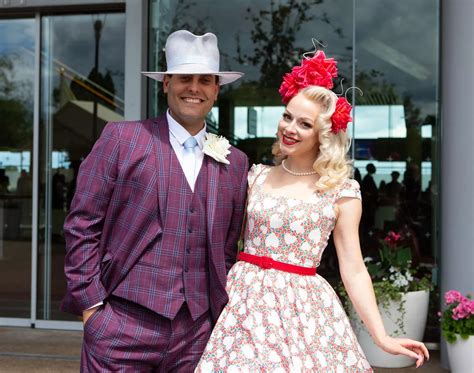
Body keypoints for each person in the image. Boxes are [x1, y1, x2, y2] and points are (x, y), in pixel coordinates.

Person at [196, 51, 429, 372]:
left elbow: (353, 267)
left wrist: (381, 335)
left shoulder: (341, 191)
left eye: (305, 123)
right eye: (287, 116)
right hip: (244, 303)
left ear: (324, 133)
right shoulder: (255, 175)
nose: (290, 128)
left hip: (304, 309)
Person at [61, 30, 249, 371]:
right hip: (121, 324)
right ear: (165, 84)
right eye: (184, 78)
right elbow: (82, 225)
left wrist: (213, 317)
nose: (194, 88)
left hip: (196, 334)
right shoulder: (123, 139)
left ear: (216, 90)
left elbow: (226, 248)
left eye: (205, 80)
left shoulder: (235, 162)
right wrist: (92, 309)